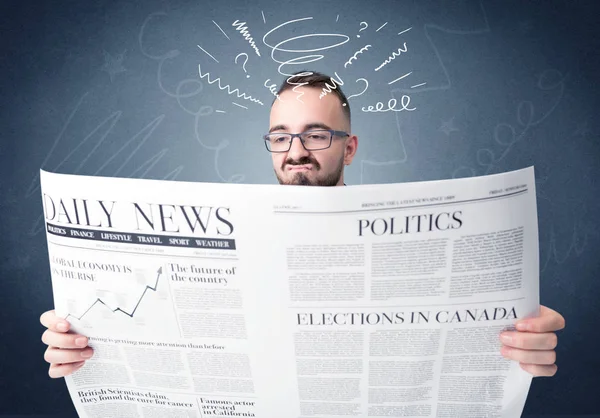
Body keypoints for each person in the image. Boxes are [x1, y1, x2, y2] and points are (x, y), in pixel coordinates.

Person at [40, 70, 565, 378]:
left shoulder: (419, 249)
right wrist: (85, 346)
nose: (295, 152)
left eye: (316, 135)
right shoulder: (214, 256)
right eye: (280, 136)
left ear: (349, 148)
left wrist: (521, 340)